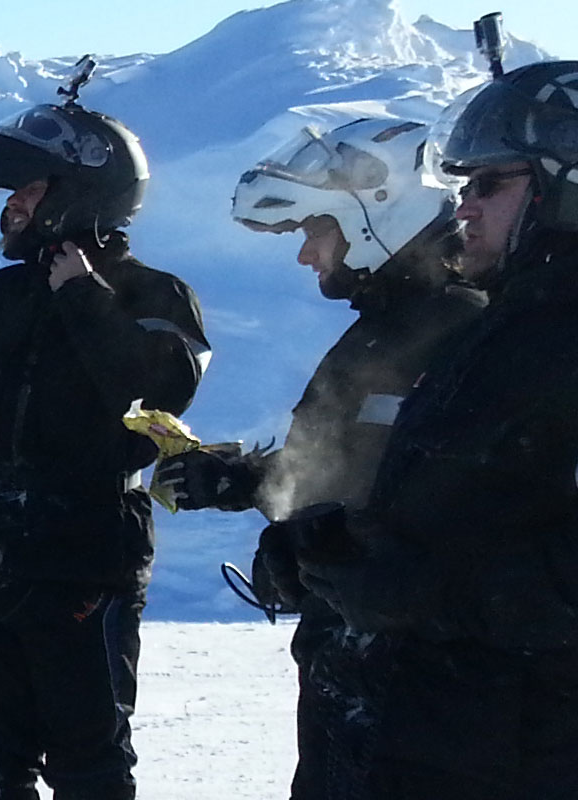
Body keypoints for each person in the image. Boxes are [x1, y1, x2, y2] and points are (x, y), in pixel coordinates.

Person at [285, 60, 578, 799]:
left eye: (487, 185)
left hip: (546, 758)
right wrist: (337, 551)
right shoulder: (498, 327)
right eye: (461, 185)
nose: (462, 207)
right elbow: (465, 506)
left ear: (575, 183)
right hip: (421, 744)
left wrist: (416, 591)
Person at [155, 117, 486, 799]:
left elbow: (452, 505)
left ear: (374, 217)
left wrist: (330, 541)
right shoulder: (382, 332)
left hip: (424, 691)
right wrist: (241, 478)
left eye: (315, 230)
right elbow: (345, 466)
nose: (306, 255)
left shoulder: (468, 334)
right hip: (352, 663)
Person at [0, 87, 207, 800]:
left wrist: (84, 295)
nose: (10, 206)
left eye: (24, 189)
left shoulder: (157, 296)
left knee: (88, 759)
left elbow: (150, 403)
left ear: (80, 194)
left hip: (83, 559)